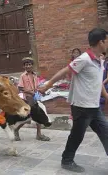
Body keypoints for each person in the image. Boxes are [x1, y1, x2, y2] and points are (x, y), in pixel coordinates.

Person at [39, 28, 108, 173]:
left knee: (105, 132)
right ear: (101, 42)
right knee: (77, 135)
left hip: (94, 107)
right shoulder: (84, 59)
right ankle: (67, 160)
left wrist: (106, 96)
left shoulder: (99, 60)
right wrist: (47, 85)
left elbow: (98, 82)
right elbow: (65, 71)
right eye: (106, 40)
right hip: (82, 106)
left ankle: (67, 159)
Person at [15, 57, 50, 141]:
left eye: (29, 64)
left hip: (35, 97)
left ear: (32, 65)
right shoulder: (23, 76)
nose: (28, 66)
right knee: (28, 118)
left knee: (39, 114)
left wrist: (41, 91)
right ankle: (16, 129)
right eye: (26, 65)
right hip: (28, 98)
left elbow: (36, 87)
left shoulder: (35, 75)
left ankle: (39, 134)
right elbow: (20, 88)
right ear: (24, 66)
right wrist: (31, 93)